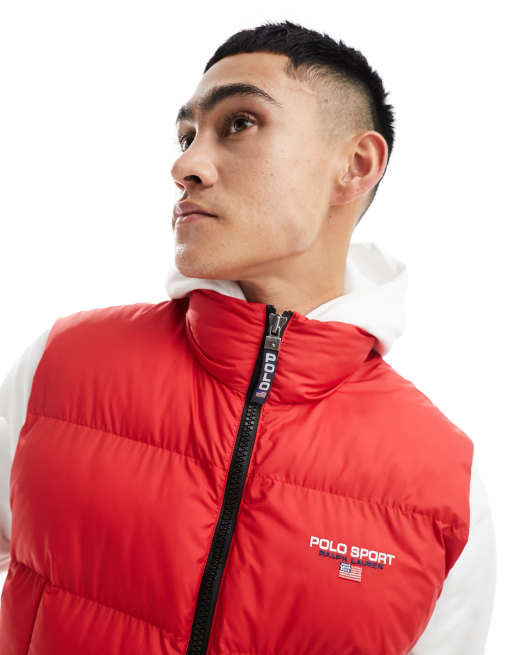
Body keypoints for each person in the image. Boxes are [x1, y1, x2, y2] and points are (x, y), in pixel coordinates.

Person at [0, 19, 496, 655]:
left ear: (355, 165)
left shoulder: (446, 480)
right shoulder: (62, 365)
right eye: (187, 135)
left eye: (239, 123)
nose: (184, 165)